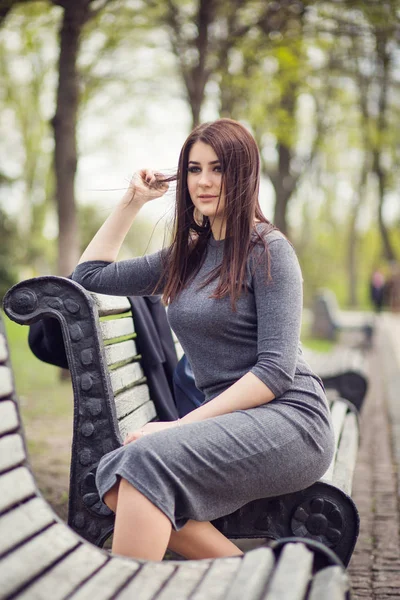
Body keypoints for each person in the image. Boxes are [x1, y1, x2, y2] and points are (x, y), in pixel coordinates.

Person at [71, 118, 335, 562]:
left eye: (218, 168)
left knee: (140, 463)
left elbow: (274, 372)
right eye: (194, 169)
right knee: (122, 478)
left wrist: (179, 427)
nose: (205, 181)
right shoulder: (187, 256)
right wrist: (133, 201)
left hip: (292, 422)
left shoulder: (267, 250)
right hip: (235, 423)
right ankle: (251, 582)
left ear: (244, 174)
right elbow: (89, 276)